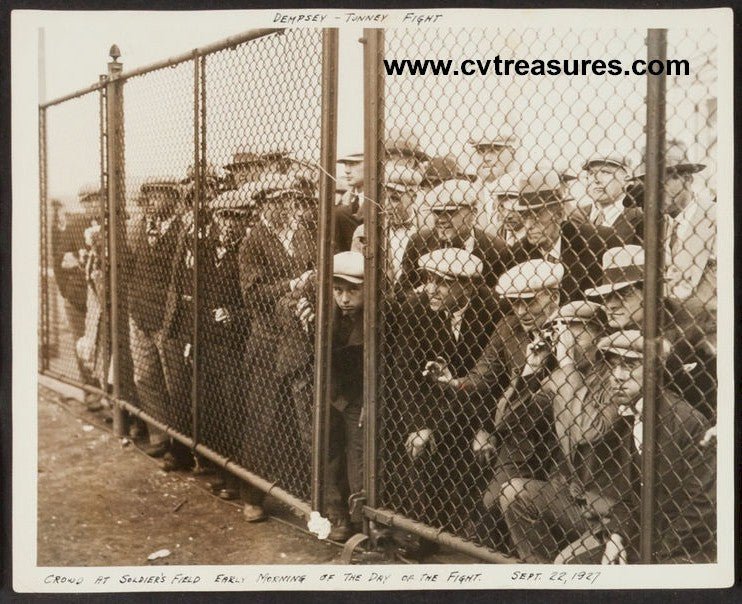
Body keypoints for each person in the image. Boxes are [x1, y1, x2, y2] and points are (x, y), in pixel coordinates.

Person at [500, 329, 716, 564]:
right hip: (618, 518)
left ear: (655, 371)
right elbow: (635, 495)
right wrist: (618, 536)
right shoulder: (631, 409)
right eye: (613, 366)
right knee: (562, 559)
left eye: (630, 366)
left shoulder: (682, 420)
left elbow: (701, 503)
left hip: (670, 543)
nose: (618, 376)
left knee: (568, 564)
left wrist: (650, 554)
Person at [385, 248, 502, 550]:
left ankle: (476, 525)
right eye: (428, 279)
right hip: (432, 402)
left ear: (469, 286)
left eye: (443, 282)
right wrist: (420, 424)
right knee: (421, 445)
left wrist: (485, 426)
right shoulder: (415, 305)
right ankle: (425, 527)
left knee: (480, 452)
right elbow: (405, 373)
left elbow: (496, 378)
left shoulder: (491, 307)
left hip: (477, 404)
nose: (431, 288)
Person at [236, 180, 318, 522]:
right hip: (269, 339)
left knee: (298, 415)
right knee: (262, 415)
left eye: (289, 199)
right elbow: (252, 293)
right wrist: (291, 285)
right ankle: (251, 494)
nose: (285, 206)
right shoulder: (253, 241)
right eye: (276, 200)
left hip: (300, 336)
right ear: (261, 205)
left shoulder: (304, 233)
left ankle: (297, 490)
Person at [430, 260, 563, 466]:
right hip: (518, 435)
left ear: (553, 297)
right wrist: (455, 382)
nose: (520, 312)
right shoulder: (508, 327)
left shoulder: (573, 328)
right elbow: (483, 373)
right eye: (515, 302)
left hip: (560, 437)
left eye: (529, 302)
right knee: (492, 499)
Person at [281, 251, 366, 541]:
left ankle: (362, 518)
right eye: (338, 290)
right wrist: (305, 313)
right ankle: (337, 512)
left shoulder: (375, 313)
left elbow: (353, 357)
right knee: (326, 447)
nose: (344, 298)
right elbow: (287, 301)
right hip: (328, 386)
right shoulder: (317, 297)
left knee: (358, 454)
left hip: (357, 391)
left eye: (354, 290)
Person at [584, 244, 716, 420]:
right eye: (606, 296)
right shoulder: (609, 324)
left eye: (624, 293)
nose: (611, 305)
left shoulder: (694, 322)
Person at [126, 177, 190, 465]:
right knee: (145, 376)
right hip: (140, 314)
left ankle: (180, 446)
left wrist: (169, 317)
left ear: (173, 198)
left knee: (175, 383)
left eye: (157, 195)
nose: (150, 201)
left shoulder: (182, 231)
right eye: (147, 195)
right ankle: (159, 436)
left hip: (167, 319)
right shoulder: (140, 227)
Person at [197, 189, 253, 498]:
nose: (230, 223)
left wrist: (236, 315)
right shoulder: (206, 249)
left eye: (237, 217)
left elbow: (256, 304)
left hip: (238, 345)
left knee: (236, 413)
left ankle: (239, 480)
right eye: (224, 216)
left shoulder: (246, 251)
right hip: (211, 341)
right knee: (215, 407)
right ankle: (222, 469)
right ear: (216, 218)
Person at [507, 168, 621, 301]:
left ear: (559, 215)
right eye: (524, 216)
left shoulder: (598, 242)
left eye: (536, 215)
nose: (528, 225)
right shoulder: (518, 252)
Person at [398, 178, 511, 291]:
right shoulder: (418, 241)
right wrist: (421, 296)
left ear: (473, 213)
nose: (441, 220)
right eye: (436, 212)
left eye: (450, 212)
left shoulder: (497, 249)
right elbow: (401, 292)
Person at [469, 125, 520, 233]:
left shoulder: (525, 189)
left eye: (494, 150)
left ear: (512, 152)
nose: (486, 157)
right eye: (480, 151)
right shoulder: (467, 194)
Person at [337, 152, 364, 217]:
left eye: (353, 164)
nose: (346, 171)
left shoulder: (382, 199)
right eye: (345, 164)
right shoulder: (344, 198)